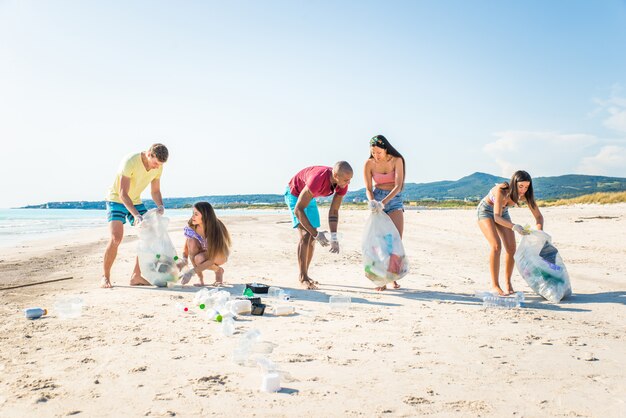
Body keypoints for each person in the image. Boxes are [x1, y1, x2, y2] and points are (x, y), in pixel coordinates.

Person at [101, 144, 168, 288]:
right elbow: (122, 194)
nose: (157, 167)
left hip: (135, 201)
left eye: (160, 165)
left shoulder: (158, 167)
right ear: (149, 154)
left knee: (150, 234)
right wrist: (136, 215)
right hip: (116, 200)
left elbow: (155, 191)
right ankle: (105, 277)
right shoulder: (130, 161)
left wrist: (160, 205)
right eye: (155, 163)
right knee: (116, 238)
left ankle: (136, 276)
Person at [284, 162, 353, 289]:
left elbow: (333, 211)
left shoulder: (342, 184)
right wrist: (316, 234)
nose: (348, 183)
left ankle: (305, 274)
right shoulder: (317, 179)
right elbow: (298, 209)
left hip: (309, 197)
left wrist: (334, 237)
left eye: (350, 179)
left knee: (312, 238)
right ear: (336, 175)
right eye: (346, 180)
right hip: (295, 194)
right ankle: (302, 277)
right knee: (306, 235)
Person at [477, 170, 544, 296]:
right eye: (520, 186)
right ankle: (495, 286)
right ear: (514, 183)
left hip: (504, 213)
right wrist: (514, 227)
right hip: (486, 211)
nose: (523, 190)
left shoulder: (525, 195)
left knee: (511, 248)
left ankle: (508, 283)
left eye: (526, 187)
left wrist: (539, 233)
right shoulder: (501, 190)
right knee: (496, 246)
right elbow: (496, 217)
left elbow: (539, 217)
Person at [363, 134, 406, 291]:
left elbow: (398, 186)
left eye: (378, 152)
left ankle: (393, 278)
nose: (376, 155)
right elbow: (368, 188)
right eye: (373, 152)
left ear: (385, 149)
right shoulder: (369, 163)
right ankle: (381, 279)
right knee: (379, 241)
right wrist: (372, 201)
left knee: (395, 240)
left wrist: (384, 202)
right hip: (377, 198)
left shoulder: (396, 160)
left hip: (393, 199)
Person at [179, 202, 231, 287]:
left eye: (196, 214)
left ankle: (218, 271)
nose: (192, 217)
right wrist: (184, 258)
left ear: (205, 215)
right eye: (193, 213)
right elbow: (187, 246)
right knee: (192, 242)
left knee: (199, 259)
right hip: (205, 251)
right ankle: (201, 279)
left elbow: (211, 259)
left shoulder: (215, 228)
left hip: (219, 254)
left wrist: (191, 272)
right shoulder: (192, 226)